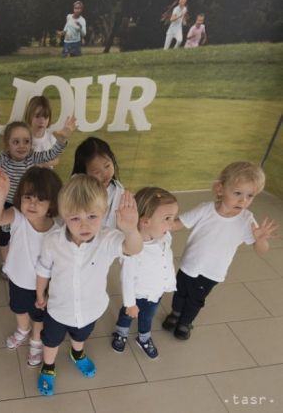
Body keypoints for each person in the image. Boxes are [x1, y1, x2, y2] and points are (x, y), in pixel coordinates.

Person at [35, 175, 142, 396]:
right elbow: (44, 269)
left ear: (104, 214)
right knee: (51, 341)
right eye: (75, 218)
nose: (84, 225)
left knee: (80, 335)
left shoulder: (108, 238)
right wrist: (39, 294)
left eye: (92, 216)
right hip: (58, 308)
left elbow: (133, 249)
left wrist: (131, 229)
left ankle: (78, 353)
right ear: (64, 216)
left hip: (91, 308)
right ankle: (48, 367)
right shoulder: (53, 240)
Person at [162, 162, 278, 340]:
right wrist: (160, 221)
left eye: (250, 196)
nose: (243, 200)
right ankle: (175, 313)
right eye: (237, 193)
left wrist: (260, 238)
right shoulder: (205, 209)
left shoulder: (247, 220)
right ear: (220, 189)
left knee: (195, 299)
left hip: (212, 272)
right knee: (180, 292)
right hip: (189, 264)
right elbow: (178, 224)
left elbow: (261, 250)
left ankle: (185, 321)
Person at [0, 167, 62, 367]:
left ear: (52, 203)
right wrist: (2, 193)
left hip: (44, 285)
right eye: (28, 197)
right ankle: (22, 330)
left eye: (40, 199)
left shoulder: (59, 229)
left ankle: (36, 340)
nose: (32, 203)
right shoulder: (18, 217)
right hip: (18, 280)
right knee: (19, 309)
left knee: (40, 316)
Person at [0, 117, 76, 268]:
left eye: (26, 141)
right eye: (16, 142)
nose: (22, 146)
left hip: (29, 204)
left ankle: (29, 258)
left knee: (26, 233)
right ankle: (5, 262)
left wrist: (63, 137)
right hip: (9, 204)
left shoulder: (33, 157)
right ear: (7, 145)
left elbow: (52, 154)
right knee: (5, 236)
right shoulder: (3, 159)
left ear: (31, 143)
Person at [111, 187, 179, 359]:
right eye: (167, 219)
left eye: (173, 217)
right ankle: (121, 331)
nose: (172, 224)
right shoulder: (133, 250)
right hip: (138, 293)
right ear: (145, 221)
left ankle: (144, 336)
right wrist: (130, 303)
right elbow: (126, 278)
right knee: (127, 315)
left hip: (157, 291)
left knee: (147, 317)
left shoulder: (165, 237)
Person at [72, 137, 124, 229]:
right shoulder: (76, 191)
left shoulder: (118, 190)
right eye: (96, 172)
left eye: (107, 166)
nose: (105, 174)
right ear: (84, 173)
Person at [23, 96, 58, 168]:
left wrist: (47, 163)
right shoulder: (23, 138)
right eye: (37, 116)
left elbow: (56, 159)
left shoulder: (51, 139)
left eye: (45, 117)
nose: (42, 121)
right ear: (29, 116)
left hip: (45, 176)